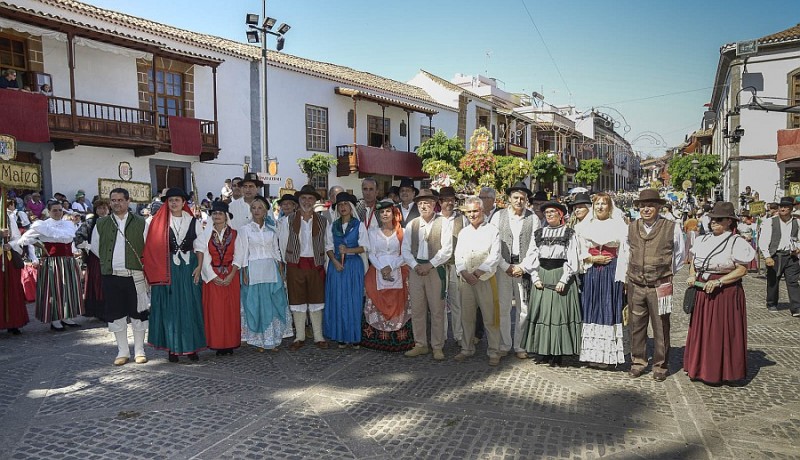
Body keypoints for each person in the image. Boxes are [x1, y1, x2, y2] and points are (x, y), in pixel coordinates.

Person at [684, 201, 755, 384]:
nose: (714, 222)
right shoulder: (703, 239)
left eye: (719, 219)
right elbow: (694, 262)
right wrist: (693, 276)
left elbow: (741, 270)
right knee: (702, 330)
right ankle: (699, 367)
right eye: (713, 219)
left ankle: (721, 371)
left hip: (725, 294)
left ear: (730, 222)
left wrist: (719, 282)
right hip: (703, 290)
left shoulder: (736, 241)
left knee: (720, 332)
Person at [626, 189, 685, 382]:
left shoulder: (672, 227)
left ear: (659, 207)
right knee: (636, 325)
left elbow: (679, 256)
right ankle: (638, 361)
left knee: (661, 326)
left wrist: (664, 274)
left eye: (650, 205)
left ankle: (660, 365)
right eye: (643, 206)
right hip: (636, 284)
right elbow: (626, 253)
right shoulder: (631, 227)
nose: (646, 209)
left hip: (660, 285)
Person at [143, 187, 206, 362]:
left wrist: (199, 267)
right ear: (166, 203)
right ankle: (173, 347)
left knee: (190, 306)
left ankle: (191, 347)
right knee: (170, 308)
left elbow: (200, 246)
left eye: (177, 200)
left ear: (184, 202)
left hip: (188, 267)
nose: (174, 203)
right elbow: (149, 247)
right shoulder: (156, 222)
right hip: (167, 267)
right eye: (171, 200)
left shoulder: (193, 221)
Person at [90, 189, 149, 365]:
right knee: (116, 315)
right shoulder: (101, 224)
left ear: (128, 201)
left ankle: (139, 350)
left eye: (120, 200)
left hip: (135, 275)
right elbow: (95, 247)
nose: (117, 203)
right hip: (112, 276)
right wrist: (112, 263)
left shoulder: (141, 223)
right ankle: (122, 351)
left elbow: (148, 246)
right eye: (113, 200)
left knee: (139, 314)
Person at [520, 200, 582, 367]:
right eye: (547, 213)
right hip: (542, 274)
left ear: (560, 215)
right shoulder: (539, 233)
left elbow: (572, 257)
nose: (549, 215)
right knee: (543, 314)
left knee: (558, 314)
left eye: (553, 212)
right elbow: (531, 255)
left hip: (560, 274)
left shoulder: (569, 233)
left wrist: (564, 279)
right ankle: (544, 350)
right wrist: (535, 276)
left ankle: (558, 352)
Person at [574, 193, 629, 367]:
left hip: (610, 271)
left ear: (610, 207)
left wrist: (624, 275)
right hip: (592, 271)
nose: (599, 207)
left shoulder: (618, 226)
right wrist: (590, 259)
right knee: (591, 306)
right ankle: (591, 354)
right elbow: (579, 249)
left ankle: (607, 356)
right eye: (596, 204)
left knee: (608, 307)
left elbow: (625, 252)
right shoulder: (585, 226)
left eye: (603, 204)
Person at [490, 182, 539, 360]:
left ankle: (520, 345)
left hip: (523, 268)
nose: (519, 201)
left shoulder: (533, 218)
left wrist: (523, 266)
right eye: (516, 198)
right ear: (509, 199)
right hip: (502, 267)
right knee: (503, 307)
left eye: (522, 198)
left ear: (526, 200)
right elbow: (493, 244)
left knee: (523, 308)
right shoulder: (497, 216)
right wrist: (505, 265)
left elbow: (535, 246)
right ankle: (504, 344)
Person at [401, 189, 452, 360]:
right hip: (416, 270)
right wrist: (416, 266)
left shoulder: (444, 223)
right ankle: (420, 344)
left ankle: (437, 346)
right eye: (421, 203)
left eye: (427, 203)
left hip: (435, 270)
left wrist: (430, 264)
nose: (424, 206)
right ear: (417, 205)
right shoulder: (412, 224)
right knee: (417, 309)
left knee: (437, 309)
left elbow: (447, 250)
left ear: (434, 204)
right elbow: (405, 250)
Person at [18, 199, 83, 331]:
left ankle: (66, 316)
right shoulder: (43, 225)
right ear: (48, 211)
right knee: (54, 290)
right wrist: (39, 244)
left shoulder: (68, 224)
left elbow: (69, 239)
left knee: (68, 289)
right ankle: (55, 319)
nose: (58, 213)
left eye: (60, 210)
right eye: (55, 210)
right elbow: (24, 239)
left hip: (68, 261)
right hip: (52, 262)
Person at [278, 184, 329, 350]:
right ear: (298, 201)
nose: (307, 201)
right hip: (296, 264)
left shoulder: (323, 221)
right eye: (304, 198)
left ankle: (318, 336)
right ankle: (299, 336)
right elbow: (283, 243)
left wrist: (325, 265)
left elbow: (327, 244)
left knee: (316, 300)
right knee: (297, 300)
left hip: (315, 265)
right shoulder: (288, 220)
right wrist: (289, 263)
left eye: (310, 198)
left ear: (315, 201)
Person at [453, 196, 502, 366]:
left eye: (475, 211)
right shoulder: (464, 232)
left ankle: (494, 351)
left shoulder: (492, 230)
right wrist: (464, 272)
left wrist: (479, 271)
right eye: (469, 212)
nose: (472, 215)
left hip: (485, 279)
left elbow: (495, 256)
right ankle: (466, 348)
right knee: (467, 317)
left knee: (490, 317)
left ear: (482, 211)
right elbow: (458, 255)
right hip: (466, 280)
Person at [240, 196, 293, 351]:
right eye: (254, 208)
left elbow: (275, 249)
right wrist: (244, 271)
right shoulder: (245, 229)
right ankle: (259, 340)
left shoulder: (272, 228)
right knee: (256, 305)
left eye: (260, 208)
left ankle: (272, 338)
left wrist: (281, 267)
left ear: (265, 211)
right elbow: (243, 251)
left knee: (274, 303)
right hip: (254, 268)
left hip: (270, 268)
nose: (256, 211)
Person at [361, 199, 414, 351]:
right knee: (376, 300)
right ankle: (379, 339)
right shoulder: (373, 233)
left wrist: (391, 267)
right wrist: (381, 268)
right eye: (382, 212)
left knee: (400, 301)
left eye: (388, 211)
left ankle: (400, 339)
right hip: (377, 269)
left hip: (398, 268)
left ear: (393, 213)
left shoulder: (402, 232)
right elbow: (371, 253)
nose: (385, 214)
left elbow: (405, 253)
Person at [198, 201, 245, 355]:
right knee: (215, 311)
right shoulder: (206, 234)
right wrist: (211, 276)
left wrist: (232, 274)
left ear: (226, 216)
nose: (217, 216)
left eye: (220, 213)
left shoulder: (236, 234)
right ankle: (217, 343)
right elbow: (203, 255)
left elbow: (239, 255)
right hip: (213, 276)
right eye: (214, 213)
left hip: (231, 275)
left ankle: (230, 343)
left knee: (230, 310)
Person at [324, 192, 368, 347]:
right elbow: (328, 247)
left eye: (345, 204)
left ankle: (354, 336)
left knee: (353, 301)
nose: (343, 207)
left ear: (351, 207)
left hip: (353, 266)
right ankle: (340, 335)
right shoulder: (332, 226)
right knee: (338, 300)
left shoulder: (359, 225)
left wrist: (348, 251)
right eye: (340, 205)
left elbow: (364, 247)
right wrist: (334, 261)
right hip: (336, 267)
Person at [758, 196, 800, 316]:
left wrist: (797, 248)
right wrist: (767, 256)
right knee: (773, 281)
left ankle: (796, 307)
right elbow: (763, 240)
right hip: (775, 255)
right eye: (781, 206)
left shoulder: (797, 222)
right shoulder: (770, 222)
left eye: (786, 207)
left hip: (791, 256)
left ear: (791, 209)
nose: (783, 208)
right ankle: (771, 302)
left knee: (793, 282)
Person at [439, 186, 467, 344]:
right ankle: (441, 336)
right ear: (440, 202)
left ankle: (458, 335)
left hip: (456, 265)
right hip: (440, 266)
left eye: (451, 200)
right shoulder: (436, 219)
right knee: (441, 303)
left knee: (457, 303)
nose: (449, 203)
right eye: (446, 200)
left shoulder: (461, 218)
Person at [75, 198, 110, 320]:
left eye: (104, 208)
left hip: (112, 257)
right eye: (99, 208)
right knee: (98, 283)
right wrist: (88, 247)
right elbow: (79, 237)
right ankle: (99, 311)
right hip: (96, 258)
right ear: (95, 210)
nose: (102, 210)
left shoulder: (114, 221)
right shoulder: (90, 223)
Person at [2, 203, 29, 335]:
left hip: (7, 259)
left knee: (10, 289)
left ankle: (12, 322)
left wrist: (10, 245)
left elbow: (17, 238)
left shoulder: (7, 216)